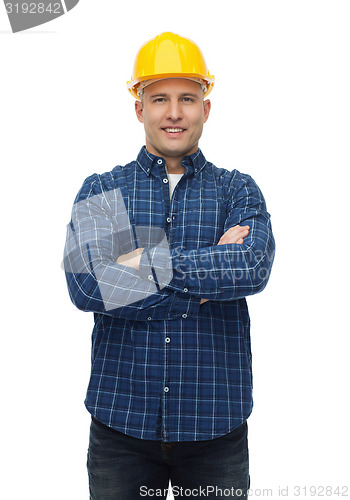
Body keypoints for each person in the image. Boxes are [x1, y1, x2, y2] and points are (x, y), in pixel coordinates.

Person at [63, 32, 275, 499]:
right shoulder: (104, 190)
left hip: (215, 428)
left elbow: (252, 267)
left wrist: (136, 267)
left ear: (206, 107)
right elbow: (87, 285)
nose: (174, 112)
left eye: (187, 98)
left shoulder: (237, 190)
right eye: (159, 98)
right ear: (139, 108)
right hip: (121, 429)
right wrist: (205, 277)